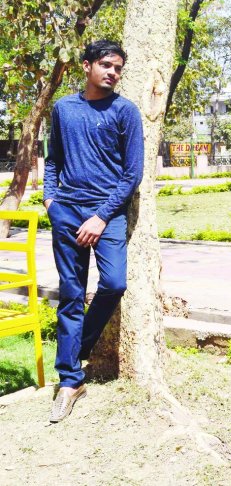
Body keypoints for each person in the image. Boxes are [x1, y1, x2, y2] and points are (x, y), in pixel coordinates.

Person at [44, 40, 144, 423]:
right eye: (105, 65)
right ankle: (70, 381)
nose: (112, 73)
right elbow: (53, 160)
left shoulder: (126, 112)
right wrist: (51, 201)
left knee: (115, 282)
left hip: (108, 215)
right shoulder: (64, 109)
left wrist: (101, 217)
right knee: (71, 295)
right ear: (86, 66)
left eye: (118, 68)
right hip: (67, 211)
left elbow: (132, 174)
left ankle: (77, 348)